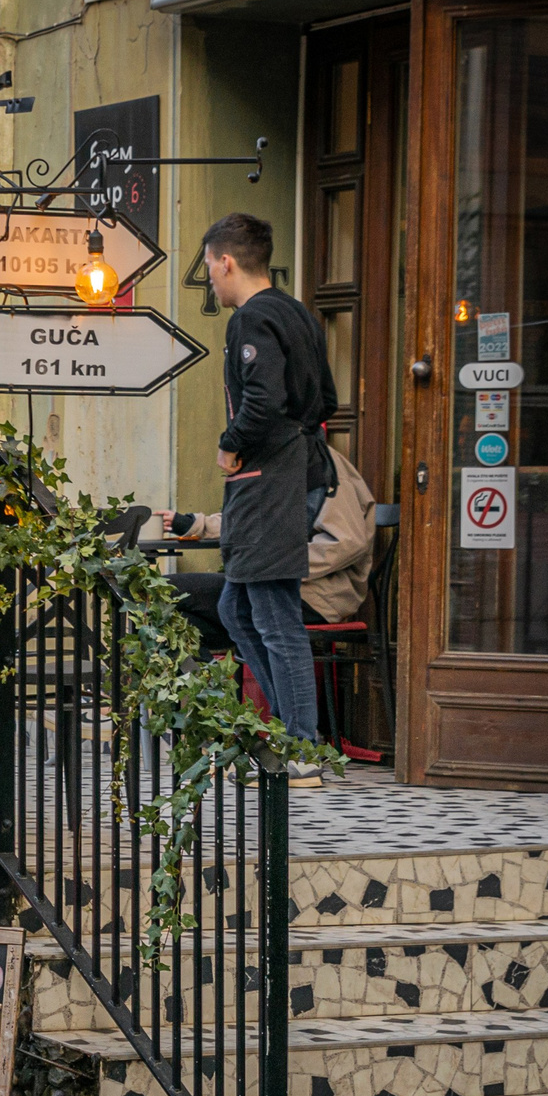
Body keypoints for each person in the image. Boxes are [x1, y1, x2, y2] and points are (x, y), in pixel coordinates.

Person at [198, 211, 336, 787]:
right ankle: (287, 735)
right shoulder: (296, 312)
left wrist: (233, 445)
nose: (211, 281)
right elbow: (324, 397)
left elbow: (263, 398)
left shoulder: (251, 319)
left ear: (227, 261)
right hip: (295, 475)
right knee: (235, 608)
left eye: (209, 269)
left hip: (269, 482)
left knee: (277, 619)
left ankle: (301, 749)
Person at [160, 442, 378, 655]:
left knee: (164, 593)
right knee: (170, 617)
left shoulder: (318, 463)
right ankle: (207, 687)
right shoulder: (281, 458)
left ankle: (211, 686)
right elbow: (253, 518)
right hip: (275, 582)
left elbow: (347, 542)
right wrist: (195, 524)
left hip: (315, 596)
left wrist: (276, 565)